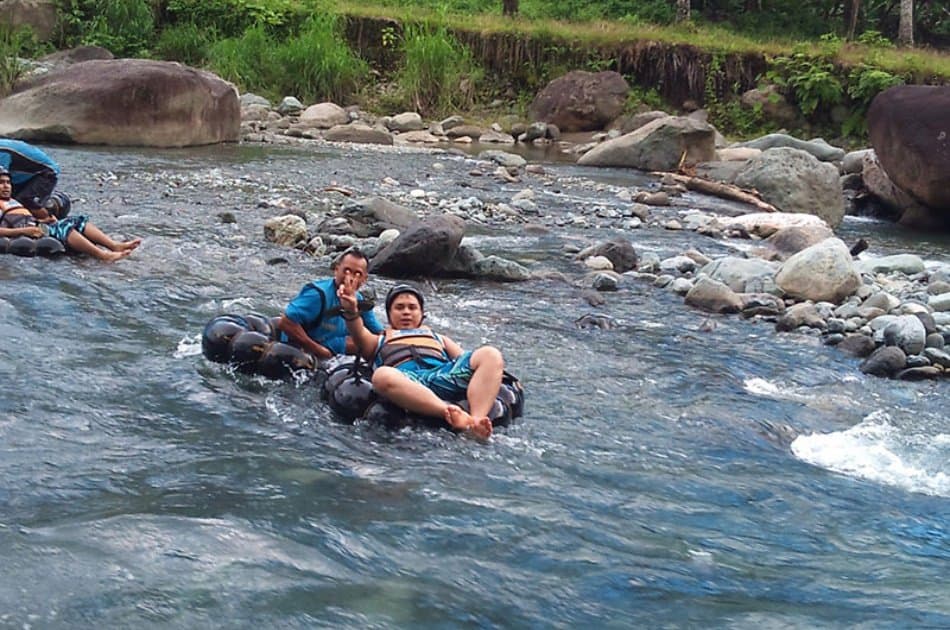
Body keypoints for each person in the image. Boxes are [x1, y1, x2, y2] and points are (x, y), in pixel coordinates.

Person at [338, 282, 503, 439]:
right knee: (382, 376)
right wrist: (351, 310)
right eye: (399, 307)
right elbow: (357, 331)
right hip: (408, 380)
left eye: (412, 307)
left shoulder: (439, 337)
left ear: (421, 314)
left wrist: (492, 374)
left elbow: (465, 360)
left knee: (490, 353)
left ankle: (476, 421)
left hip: (444, 376)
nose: (406, 312)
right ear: (389, 315)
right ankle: (450, 413)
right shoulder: (377, 340)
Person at [0, 167, 141, 262]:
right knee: (64, 228)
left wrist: (46, 219)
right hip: (26, 232)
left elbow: (27, 215)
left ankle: (114, 245)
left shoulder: (13, 201)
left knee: (78, 220)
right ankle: (103, 256)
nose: (6, 186)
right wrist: (24, 231)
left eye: (8, 182)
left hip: (37, 226)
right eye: (1, 183)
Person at [277, 248, 384, 361]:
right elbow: (286, 322)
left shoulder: (358, 299)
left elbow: (378, 332)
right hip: (302, 349)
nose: (350, 278)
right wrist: (319, 350)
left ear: (364, 279)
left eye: (357, 274)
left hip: (332, 346)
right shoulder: (317, 294)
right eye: (346, 271)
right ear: (336, 270)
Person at [0, 138, 60, 212]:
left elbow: (2, 175)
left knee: (25, 201)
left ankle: (49, 219)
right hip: (23, 177)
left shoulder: (2, 151)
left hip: (45, 173)